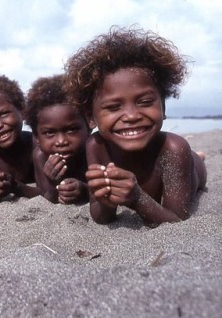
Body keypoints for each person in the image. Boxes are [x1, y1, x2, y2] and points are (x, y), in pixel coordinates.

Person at [64, 26, 207, 226]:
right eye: (114, 107)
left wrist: (137, 198)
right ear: (91, 118)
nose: (131, 116)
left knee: (195, 159)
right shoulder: (96, 146)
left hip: (191, 168)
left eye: (145, 102)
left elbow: (176, 221)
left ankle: (198, 157)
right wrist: (105, 201)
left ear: (163, 106)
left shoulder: (174, 149)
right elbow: (100, 215)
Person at [26, 75, 91, 204]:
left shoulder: (95, 148)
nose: (61, 141)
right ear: (37, 137)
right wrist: (52, 181)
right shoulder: (40, 156)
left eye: (72, 129)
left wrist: (85, 189)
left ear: (89, 125)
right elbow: (48, 197)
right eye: (50, 132)